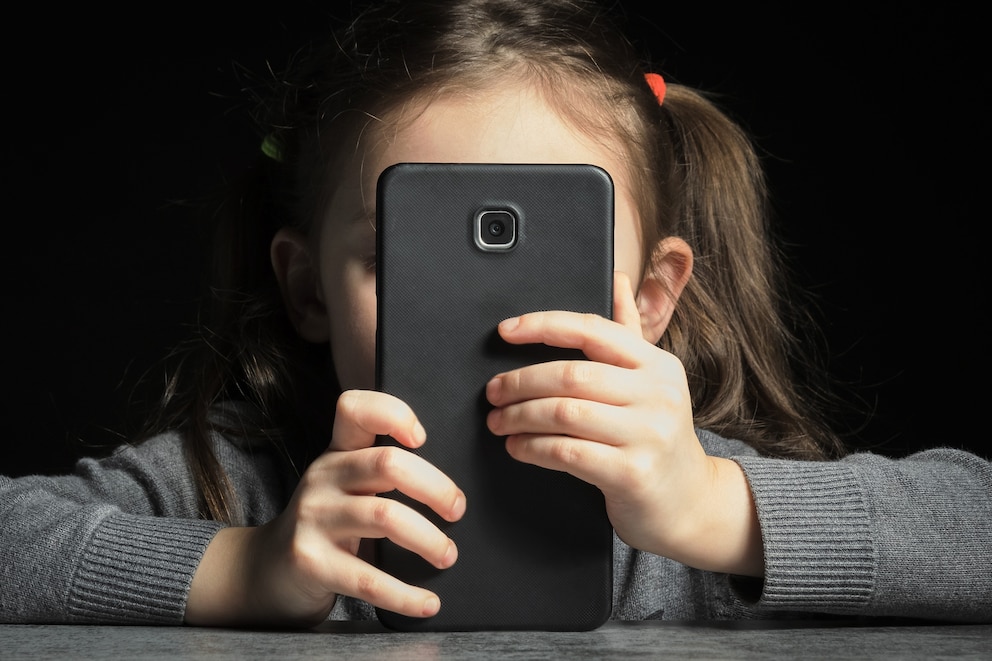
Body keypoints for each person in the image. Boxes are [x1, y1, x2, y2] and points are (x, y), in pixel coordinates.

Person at [1, 0, 989, 626]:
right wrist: (247, 567)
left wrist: (710, 510)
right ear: (309, 290)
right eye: (404, 260)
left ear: (650, 300)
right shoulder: (248, 484)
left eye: (547, 264)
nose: (486, 324)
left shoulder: (691, 499)